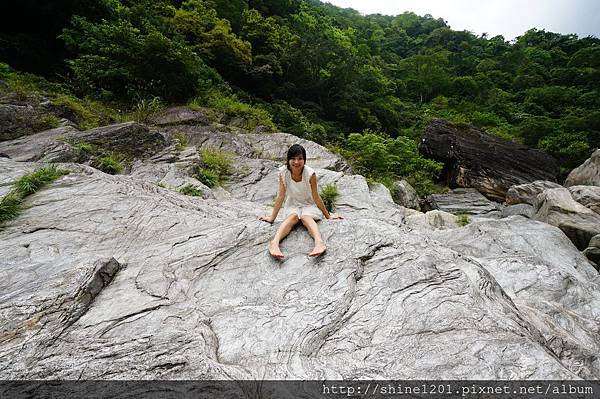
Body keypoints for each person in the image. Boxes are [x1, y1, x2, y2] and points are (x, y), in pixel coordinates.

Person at [259, 144, 342, 258]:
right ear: (288, 160)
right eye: (293, 159)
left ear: (304, 160)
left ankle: (319, 243)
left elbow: (316, 196)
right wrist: (272, 218)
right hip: (293, 203)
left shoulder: (310, 173)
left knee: (305, 217)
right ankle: (274, 243)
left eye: (300, 159)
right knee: (293, 217)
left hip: (309, 204)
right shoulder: (283, 172)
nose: (296, 162)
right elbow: (281, 196)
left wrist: (327, 216)